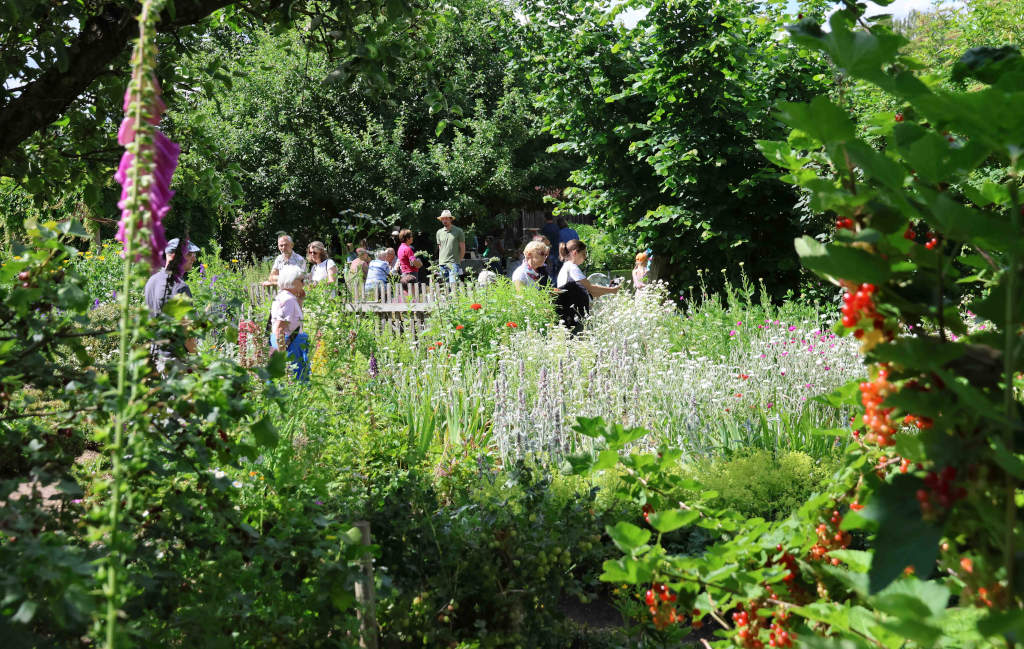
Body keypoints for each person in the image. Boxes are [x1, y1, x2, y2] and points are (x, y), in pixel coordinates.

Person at [144, 237, 200, 370]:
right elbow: (187, 333)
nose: (194, 259)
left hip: (156, 357)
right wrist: (197, 358)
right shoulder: (180, 287)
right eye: (190, 254)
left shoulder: (152, 281)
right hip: (175, 361)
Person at [555, 239, 618, 334]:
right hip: (575, 315)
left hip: (568, 313)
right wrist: (612, 290)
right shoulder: (572, 268)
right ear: (575, 252)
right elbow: (591, 289)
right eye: (584, 254)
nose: (585, 258)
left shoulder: (565, 267)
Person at [269, 265, 309, 382]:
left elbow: (294, 321)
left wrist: (300, 301)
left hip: (284, 341)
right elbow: (280, 329)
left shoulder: (283, 296)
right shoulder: (289, 300)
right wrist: (283, 359)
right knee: (294, 381)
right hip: (289, 345)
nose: (304, 284)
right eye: (302, 281)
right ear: (292, 281)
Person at [435, 209, 465, 285]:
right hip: (442, 263)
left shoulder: (458, 231)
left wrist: (459, 260)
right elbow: (440, 248)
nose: (444, 220)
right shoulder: (439, 232)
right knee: (445, 286)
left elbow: (462, 248)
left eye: (446, 218)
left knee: (453, 285)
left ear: (450, 219)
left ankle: (455, 297)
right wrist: (440, 261)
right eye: (443, 219)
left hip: (454, 263)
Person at [541, 214, 562, 280]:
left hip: (549, 252)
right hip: (557, 251)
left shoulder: (544, 228)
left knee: (550, 272)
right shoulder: (557, 227)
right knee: (557, 272)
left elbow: (543, 241)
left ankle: (552, 287)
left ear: (545, 219)